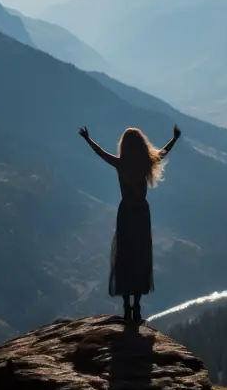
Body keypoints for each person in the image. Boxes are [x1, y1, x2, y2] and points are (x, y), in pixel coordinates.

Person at [78, 123, 181, 323]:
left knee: (124, 257)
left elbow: (101, 153)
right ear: (142, 145)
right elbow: (163, 152)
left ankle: (126, 307)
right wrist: (175, 138)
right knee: (141, 257)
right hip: (141, 215)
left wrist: (87, 139)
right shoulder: (147, 163)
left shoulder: (120, 164)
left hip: (125, 214)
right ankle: (137, 308)